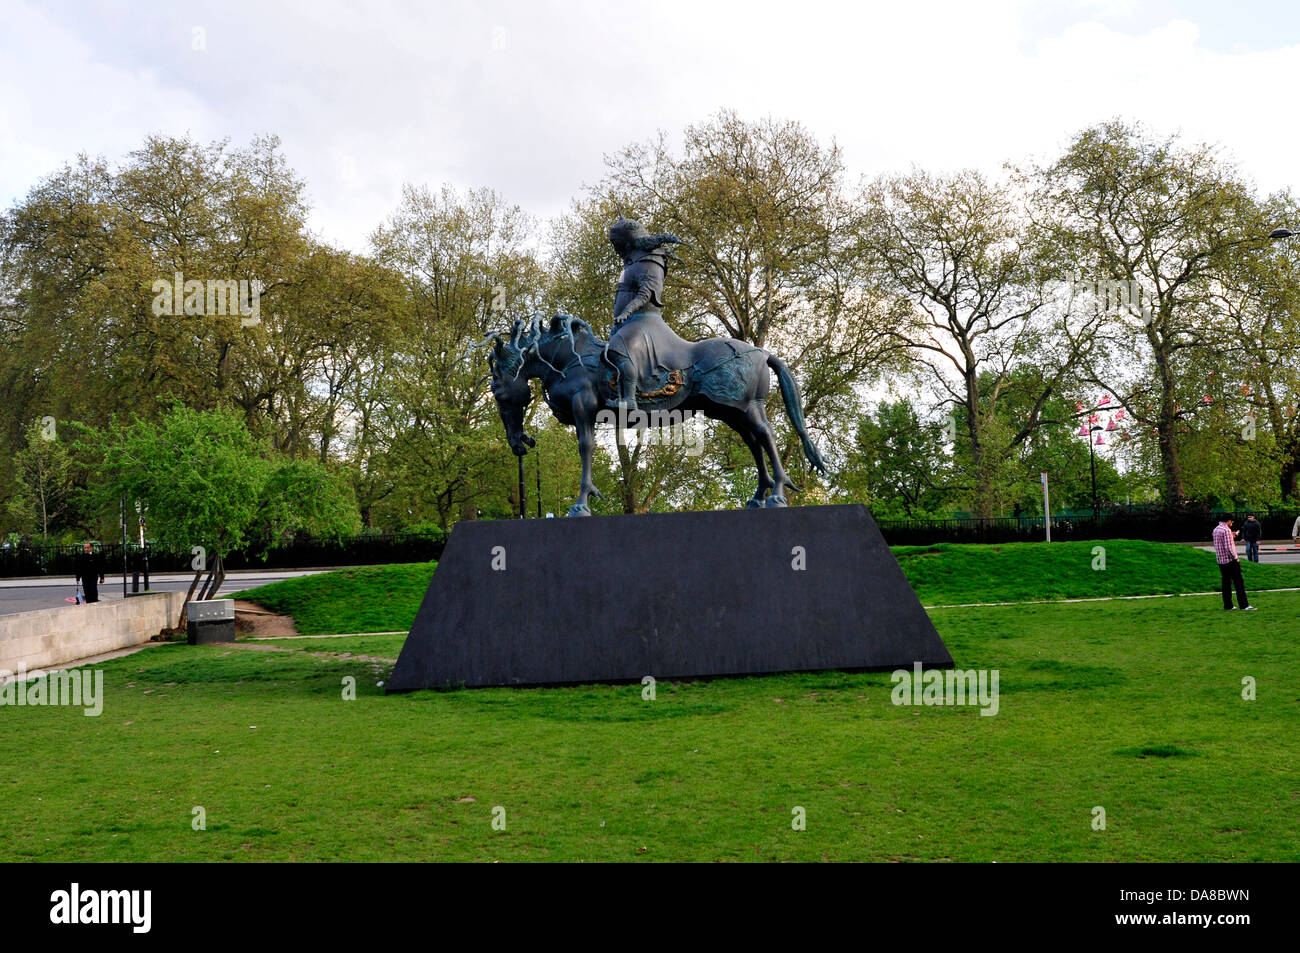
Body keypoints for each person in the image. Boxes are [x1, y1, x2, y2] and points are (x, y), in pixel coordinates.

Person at [604, 216, 685, 414]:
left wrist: (626, 312)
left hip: (645, 321)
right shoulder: (633, 263)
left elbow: (646, 293)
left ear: (628, 240)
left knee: (619, 349)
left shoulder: (650, 261)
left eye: (617, 243)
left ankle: (629, 400)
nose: (615, 249)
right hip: (631, 323)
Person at [1212, 518, 1254, 611]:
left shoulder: (1216, 529)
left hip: (1221, 561)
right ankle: (1244, 605)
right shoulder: (1226, 530)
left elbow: (1220, 543)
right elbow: (1228, 547)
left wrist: (1232, 535)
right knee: (1239, 583)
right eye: (1231, 522)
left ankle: (1228, 605)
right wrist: (1235, 558)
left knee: (1226, 583)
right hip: (1230, 561)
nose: (1232, 523)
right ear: (1229, 520)